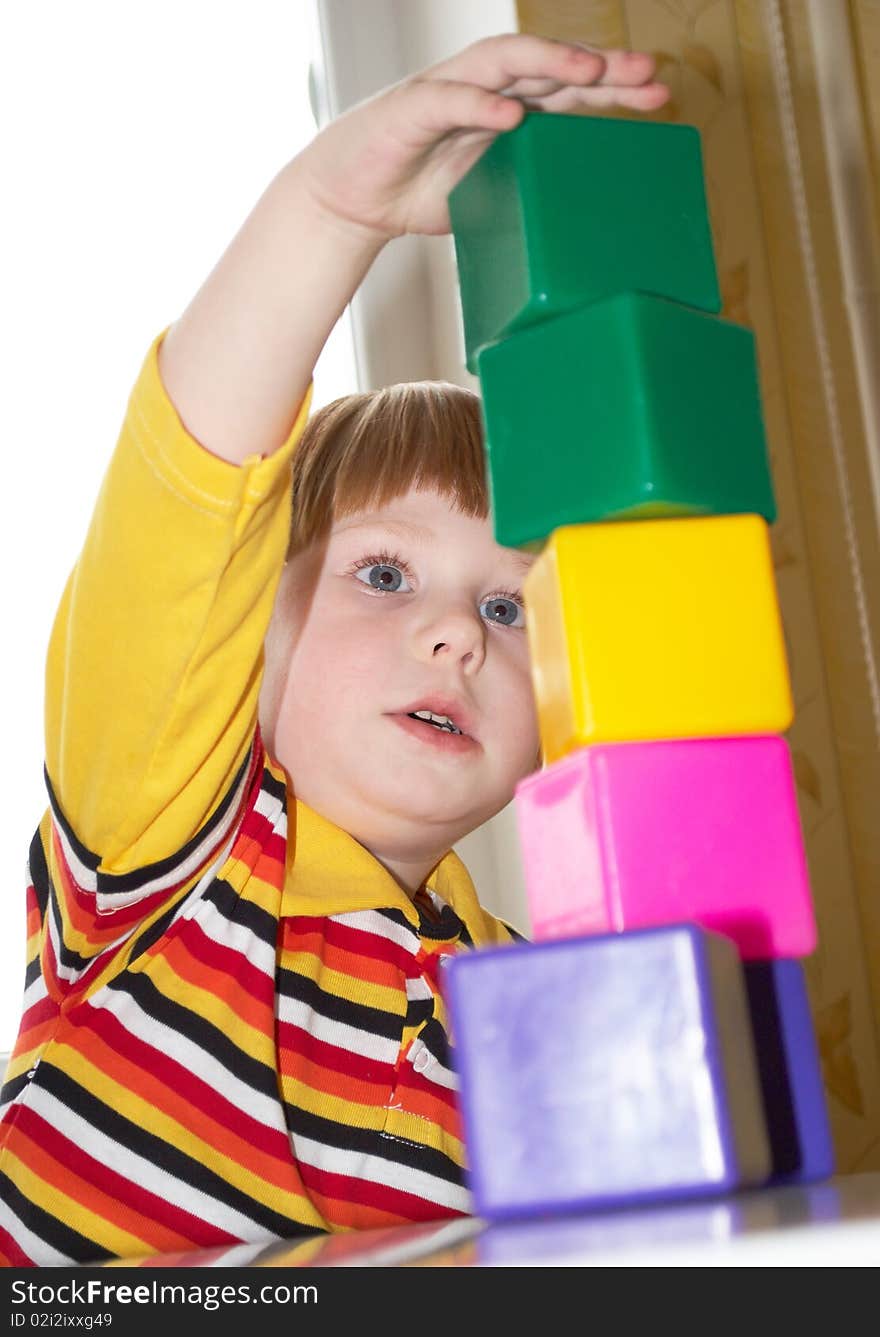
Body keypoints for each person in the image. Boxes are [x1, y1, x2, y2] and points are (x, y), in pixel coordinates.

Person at [0, 32, 669, 1266]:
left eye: (510, 609)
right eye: (384, 572)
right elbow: (188, 498)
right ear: (248, 625)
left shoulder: (533, 992)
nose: (455, 633)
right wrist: (328, 208)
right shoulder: (169, 849)